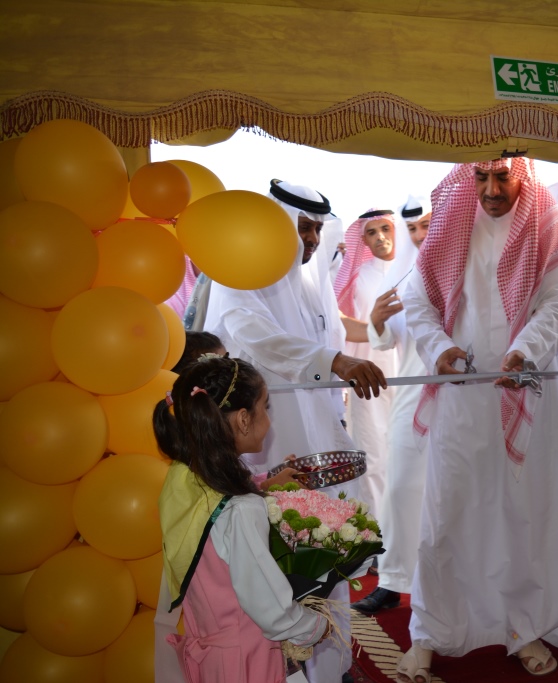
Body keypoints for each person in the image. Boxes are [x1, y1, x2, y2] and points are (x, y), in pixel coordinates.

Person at [397, 157, 558, 680]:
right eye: (481, 178)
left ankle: (523, 628)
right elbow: (419, 303)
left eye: (502, 177)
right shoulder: (452, 224)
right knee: (445, 513)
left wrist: (526, 351)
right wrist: (439, 347)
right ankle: (430, 633)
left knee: (521, 514)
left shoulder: (549, 227)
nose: (491, 189)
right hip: (461, 395)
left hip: (527, 390)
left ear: (523, 175)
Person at [204, 179, 385, 683]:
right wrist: (334, 360)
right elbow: (255, 339)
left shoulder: (310, 282)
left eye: (315, 230)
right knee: (281, 565)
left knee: (327, 549)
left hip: (318, 443)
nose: (309, 240)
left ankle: (335, 662)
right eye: (301, 228)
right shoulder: (240, 275)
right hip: (269, 449)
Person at [154, 356, 332, 682]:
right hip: (246, 659)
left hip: (208, 652)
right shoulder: (242, 508)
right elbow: (271, 609)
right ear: (244, 419)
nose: (269, 420)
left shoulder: (182, 479)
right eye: (266, 407)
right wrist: (317, 627)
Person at [351, 195, 431, 615]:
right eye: (413, 228)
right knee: (400, 488)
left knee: (448, 493)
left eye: (425, 226)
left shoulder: (465, 270)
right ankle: (393, 581)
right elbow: (385, 340)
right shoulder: (398, 276)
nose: (419, 236)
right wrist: (377, 322)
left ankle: (445, 583)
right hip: (412, 396)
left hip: (459, 400)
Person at [333, 208, 400, 518]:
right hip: (368, 375)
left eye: (385, 228)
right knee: (372, 455)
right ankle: (378, 532)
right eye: (371, 232)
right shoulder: (356, 276)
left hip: (414, 372)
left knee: (411, 452)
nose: (380, 237)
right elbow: (342, 323)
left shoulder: (415, 269)